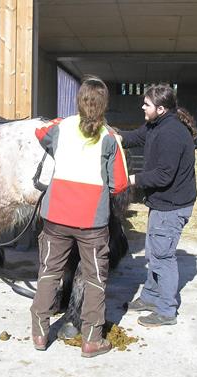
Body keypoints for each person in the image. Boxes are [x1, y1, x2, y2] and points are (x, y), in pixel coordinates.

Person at [30, 76, 128, 358]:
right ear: (105, 104)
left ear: (79, 101)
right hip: (92, 222)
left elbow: (40, 133)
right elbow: (119, 184)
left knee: (49, 272)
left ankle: (39, 333)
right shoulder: (110, 138)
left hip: (56, 216)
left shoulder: (61, 127)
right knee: (96, 278)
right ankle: (92, 340)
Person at [119, 83, 197, 327]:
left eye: (147, 104)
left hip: (172, 206)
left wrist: (131, 180)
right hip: (162, 203)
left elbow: (164, 175)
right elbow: (133, 137)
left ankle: (166, 310)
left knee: (162, 257)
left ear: (161, 109)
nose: (142, 107)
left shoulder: (171, 134)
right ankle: (150, 297)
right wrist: (111, 136)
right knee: (154, 253)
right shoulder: (155, 125)